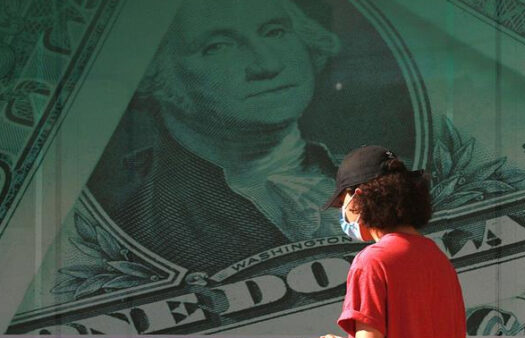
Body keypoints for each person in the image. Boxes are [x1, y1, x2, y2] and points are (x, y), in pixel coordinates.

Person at [85, 0, 342, 275]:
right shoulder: (133, 223)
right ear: (154, 73)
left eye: (274, 32)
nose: (267, 64)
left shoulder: (377, 172)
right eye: (217, 47)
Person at [310, 145, 467, 338]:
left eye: (343, 202)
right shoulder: (440, 264)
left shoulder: (372, 261)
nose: (344, 214)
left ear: (358, 198)